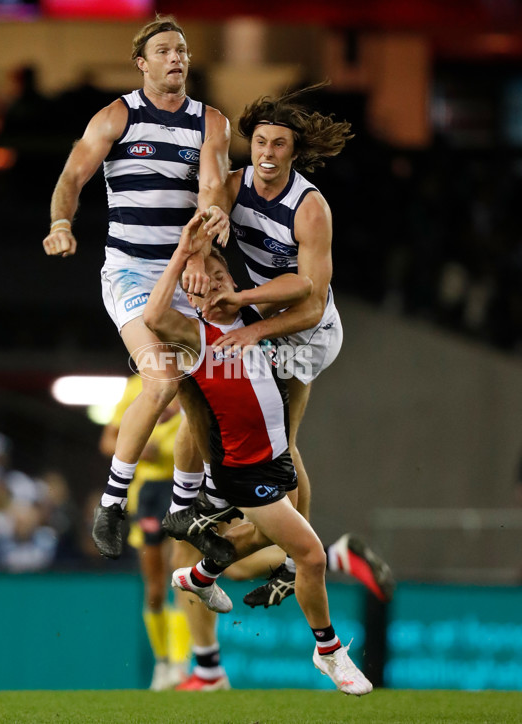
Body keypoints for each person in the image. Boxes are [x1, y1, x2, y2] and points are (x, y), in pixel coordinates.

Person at [164, 86, 394, 608]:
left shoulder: (310, 209)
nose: (268, 154)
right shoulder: (233, 183)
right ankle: (203, 515)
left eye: (279, 146)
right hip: (256, 316)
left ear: (295, 151)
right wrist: (198, 254)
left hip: (303, 333)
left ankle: (282, 559)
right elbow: (205, 218)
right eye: (261, 143)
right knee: (196, 399)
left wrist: (248, 324)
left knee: (278, 448)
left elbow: (310, 302)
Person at [142, 212, 372, 695]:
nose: (213, 285)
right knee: (308, 557)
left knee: (254, 543)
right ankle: (328, 653)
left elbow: (304, 288)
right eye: (201, 284)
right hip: (240, 472)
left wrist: (245, 296)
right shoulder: (194, 336)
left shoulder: (257, 321)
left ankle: (200, 576)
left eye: (220, 274)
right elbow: (152, 318)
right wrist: (185, 253)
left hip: (274, 463)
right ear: (193, 294)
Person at [41, 15, 231, 562]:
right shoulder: (117, 115)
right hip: (129, 274)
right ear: (142, 64)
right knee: (164, 377)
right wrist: (60, 223)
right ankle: (112, 502)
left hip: (186, 278)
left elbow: (212, 187)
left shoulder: (209, 122)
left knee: (207, 386)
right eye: (165, 50)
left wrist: (203, 240)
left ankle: (186, 506)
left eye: (183, 50)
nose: (176, 58)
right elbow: (73, 176)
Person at [99, 374, 192, 691]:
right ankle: (162, 663)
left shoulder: (195, 376)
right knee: (155, 587)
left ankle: (181, 666)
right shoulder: (136, 385)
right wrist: (140, 448)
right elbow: (108, 440)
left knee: (183, 577)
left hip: (186, 488)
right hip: (149, 493)